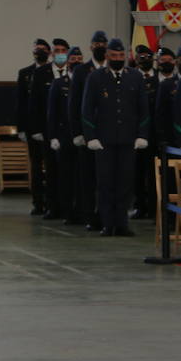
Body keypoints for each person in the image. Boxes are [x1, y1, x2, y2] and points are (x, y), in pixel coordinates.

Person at [83, 38, 149, 237]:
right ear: (107, 56)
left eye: (121, 56)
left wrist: (142, 134)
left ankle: (122, 223)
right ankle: (107, 223)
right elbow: (86, 109)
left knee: (125, 183)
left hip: (128, 140)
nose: (118, 59)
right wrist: (90, 136)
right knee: (105, 184)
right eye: (114, 56)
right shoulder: (96, 77)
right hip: (104, 141)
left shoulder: (135, 77)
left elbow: (143, 109)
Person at [71, 30, 108, 229]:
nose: (100, 46)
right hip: (88, 132)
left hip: (109, 133)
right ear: (91, 46)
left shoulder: (113, 69)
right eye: (96, 44)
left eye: (103, 43)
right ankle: (87, 214)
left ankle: (104, 213)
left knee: (107, 177)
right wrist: (77, 132)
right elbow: (75, 103)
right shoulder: (81, 71)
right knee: (87, 176)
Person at [15, 38, 53, 216]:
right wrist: (21, 128)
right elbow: (21, 103)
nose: (40, 52)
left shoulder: (53, 72)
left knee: (52, 165)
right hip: (32, 126)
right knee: (36, 165)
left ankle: (52, 201)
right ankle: (38, 202)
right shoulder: (25, 73)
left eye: (43, 49)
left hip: (50, 126)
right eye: (37, 49)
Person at [46, 46, 84, 224]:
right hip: (64, 136)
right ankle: (68, 212)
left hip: (84, 138)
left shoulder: (88, 81)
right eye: (73, 59)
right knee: (66, 177)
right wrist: (53, 136)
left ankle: (83, 211)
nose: (76, 62)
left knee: (83, 178)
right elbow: (52, 112)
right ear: (67, 62)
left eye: (79, 59)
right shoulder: (59, 83)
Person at [131, 43, 160, 219]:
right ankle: (139, 205)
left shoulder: (158, 79)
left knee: (152, 172)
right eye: (141, 58)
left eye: (149, 57)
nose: (145, 61)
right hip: (135, 133)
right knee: (136, 173)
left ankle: (153, 207)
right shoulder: (131, 77)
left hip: (154, 134)